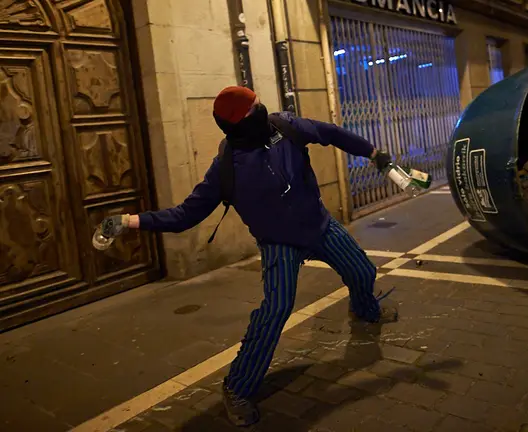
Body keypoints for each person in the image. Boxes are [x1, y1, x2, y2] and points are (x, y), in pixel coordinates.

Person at [98, 86, 399, 426]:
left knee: (362, 271)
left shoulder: (284, 127)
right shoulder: (226, 170)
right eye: (255, 107)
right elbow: (185, 215)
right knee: (275, 311)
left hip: (320, 226)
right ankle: (238, 388)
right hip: (278, 243)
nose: (263, 108)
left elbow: (329, 132)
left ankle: (364, 310)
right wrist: (130, 221)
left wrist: (374, 153)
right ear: (240, 123)